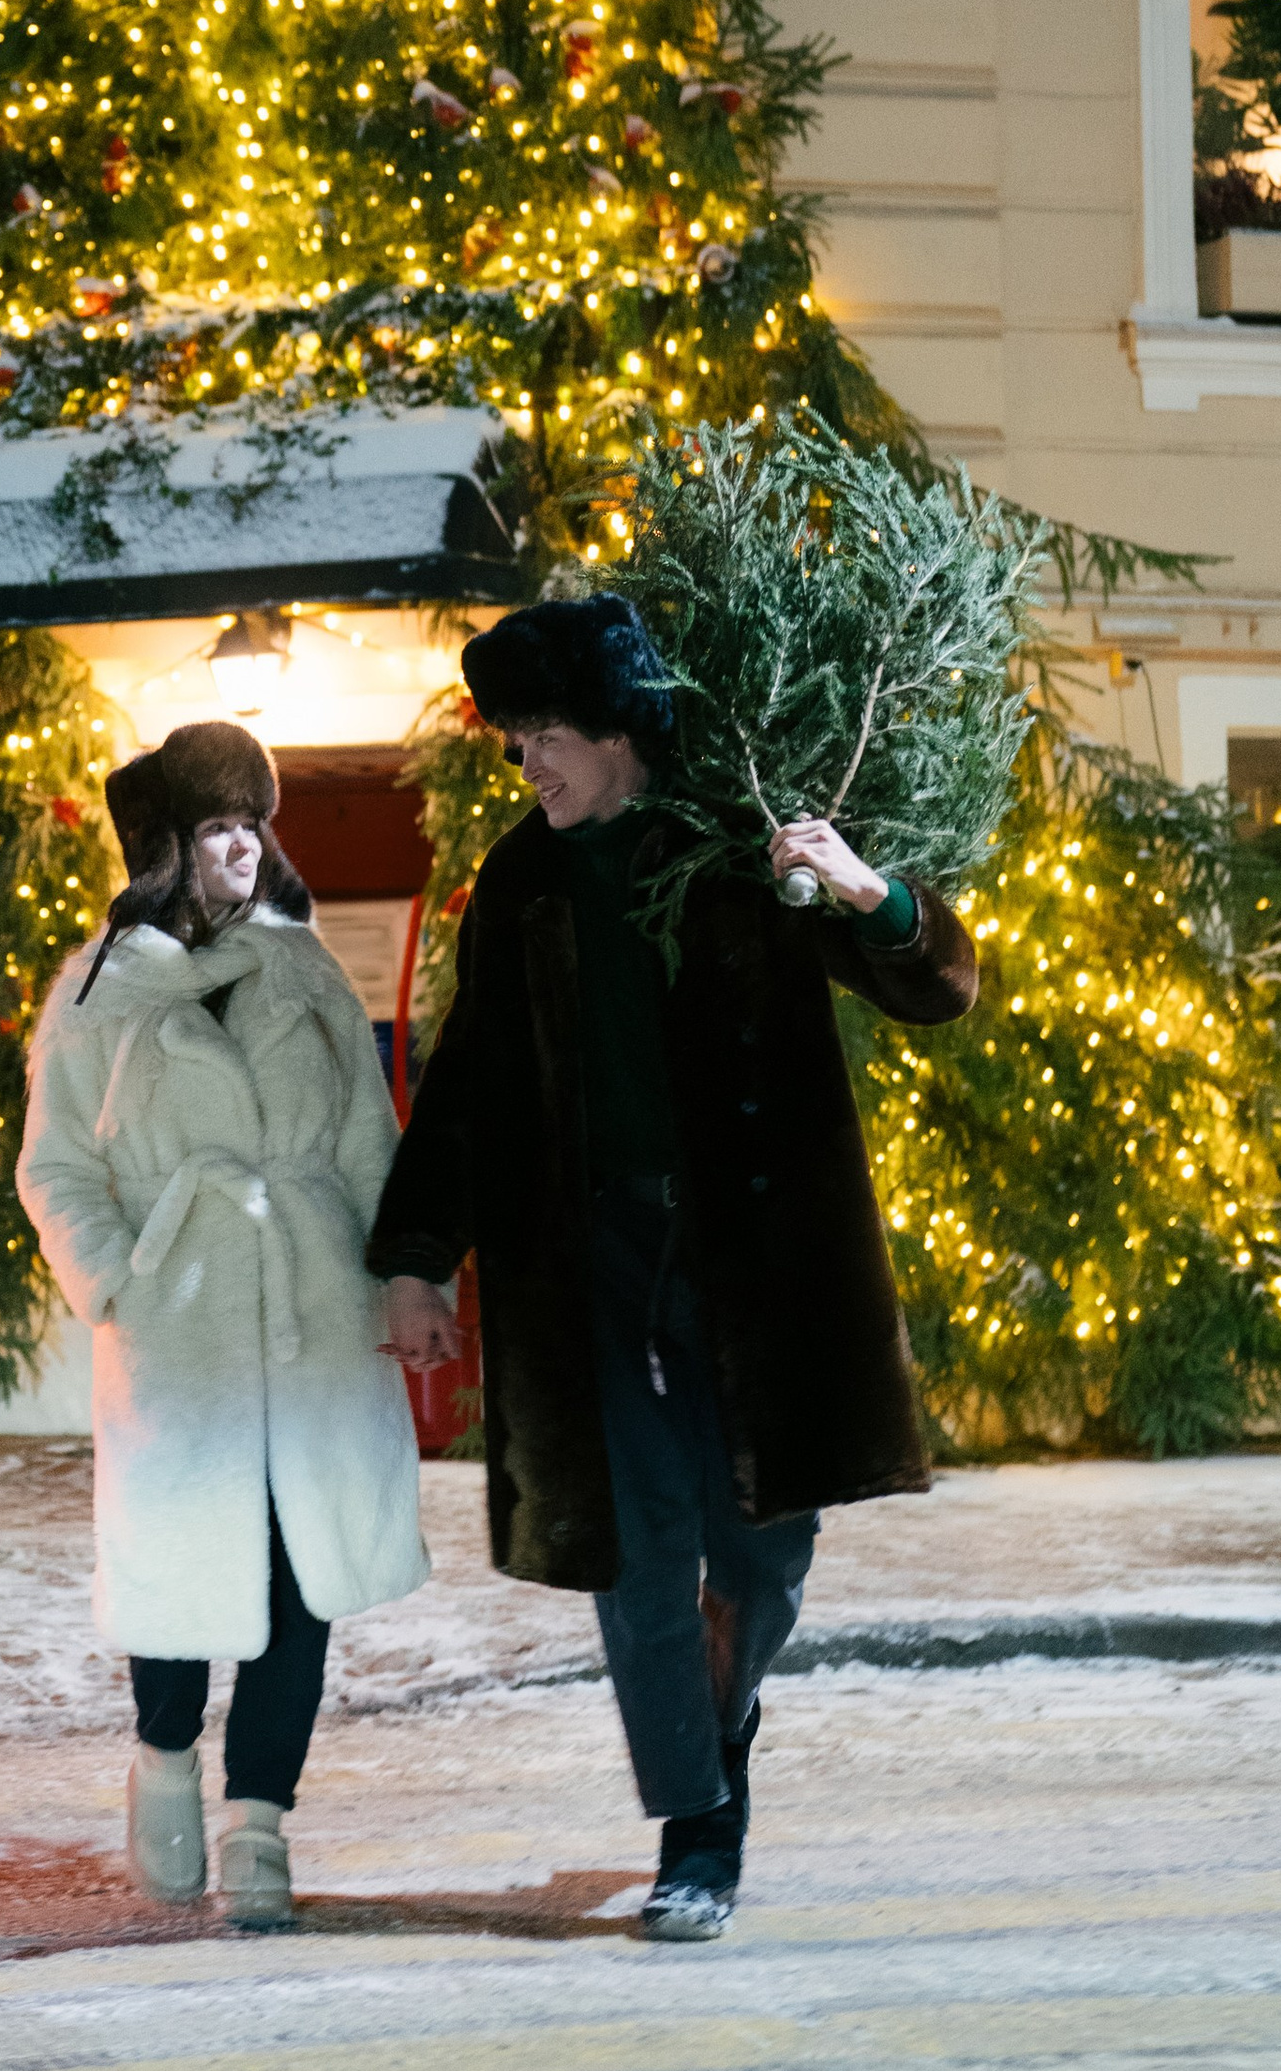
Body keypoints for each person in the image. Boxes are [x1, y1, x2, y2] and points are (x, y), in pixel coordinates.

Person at [368, 595, 976, 1942]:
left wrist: (877, 895)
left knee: (761, 1560)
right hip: (590, 1267)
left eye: (545, 735)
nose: (528, 765)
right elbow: (468, 1081)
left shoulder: (739, 852)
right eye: (516, 740)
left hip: (753, 1258)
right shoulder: (526, 879)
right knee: (638, 1559)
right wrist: (415, 1258)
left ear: (618, 729)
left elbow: (933, 986)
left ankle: (727, 1705)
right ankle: (698, 1831)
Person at [19, 720, 428, 1925]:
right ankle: (162, 1764)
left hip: (310, 1308)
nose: (242, 845)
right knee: (182, 1576)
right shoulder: (99, 993)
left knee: (301, 1578)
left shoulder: (306, 971)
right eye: (215, 826)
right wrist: (116, 1279)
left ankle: (261, 1827)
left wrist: (402, 1283)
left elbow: (368, 1142)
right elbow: (54, 1168)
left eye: (253, 821)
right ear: (167, 846)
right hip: (179, 1326)